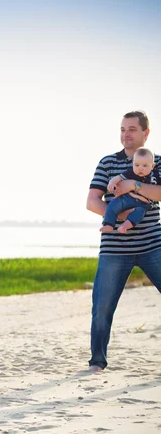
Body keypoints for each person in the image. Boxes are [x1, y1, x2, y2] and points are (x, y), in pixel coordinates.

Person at [87, 110, 161, 372]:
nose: (125, 134)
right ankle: (97, 362)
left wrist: (135, 186)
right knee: (103, 306)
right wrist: (121, 212)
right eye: (122, 129)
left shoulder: (157, 162)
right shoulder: (107, 162)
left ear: (145, 133)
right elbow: (92, 201)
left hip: (153, 244)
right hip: (114, 249)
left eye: (131, 129)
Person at [100, 147, 155, 233]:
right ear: (133, 164)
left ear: (152, 166)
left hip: (143, 204)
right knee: (113, 205)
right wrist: (112, 182)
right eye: (136, 165)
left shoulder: (155, 177)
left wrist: (133, 185)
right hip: (126, 199)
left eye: (145, 165)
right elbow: (118, 177)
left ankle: (125, 226)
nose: (140, 168)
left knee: (138, 214)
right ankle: (108, 224)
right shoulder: (131, 173)